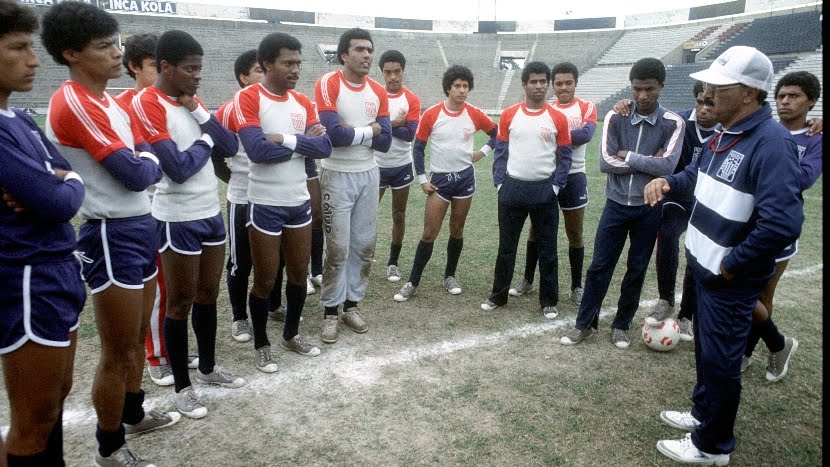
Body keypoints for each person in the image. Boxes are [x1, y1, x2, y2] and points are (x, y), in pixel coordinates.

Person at [647, 46, 804, 465]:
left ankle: (712, 446)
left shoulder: (771, 144)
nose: (708, 93)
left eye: (719, 87)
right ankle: (703, 415)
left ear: (749, 93)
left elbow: (782, 224)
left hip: (727, 278)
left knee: (721, 362)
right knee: (707, 354)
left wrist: (732, 265)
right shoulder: (723, 133)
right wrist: (669, 183)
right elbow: (695, 175)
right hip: (703, 268)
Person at [41, 3, 181, 465]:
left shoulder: (110, 102)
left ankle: (133, 414)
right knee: (117, 349)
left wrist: (146, 160)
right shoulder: (73, 101)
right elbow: (136, 172)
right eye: (104, 46)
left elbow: (145, 154)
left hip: (139, 225)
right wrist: (148, 161)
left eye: (116, 43)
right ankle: (109, 446)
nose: (117, 53)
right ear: (72, 54)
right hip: (110, 232)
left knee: (138, 334)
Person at [132, 29, 244, 419]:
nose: (197, 76)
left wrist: (199, 112)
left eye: (199, 68)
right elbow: (176, 170)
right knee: (179, 303)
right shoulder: (147, 103)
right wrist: (205, 142)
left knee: (208, 295)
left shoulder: (190, 103)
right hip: (176, 218)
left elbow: (231, 145)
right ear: (166, 67)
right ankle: (183, 387)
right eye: (190, 69)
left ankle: (208, 368)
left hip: (209, 212)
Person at [0, 1, 85, 464]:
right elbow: (56, 203)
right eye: (18, 48)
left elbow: (65, 178)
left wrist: (63, 180)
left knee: (52, 406)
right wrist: (59, 185)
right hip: (28, 278)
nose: (34, 60)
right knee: (33, 423)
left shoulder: (20, 119)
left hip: (56, 272)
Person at [560, 57, 684, 349]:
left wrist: (627, 155)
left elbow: (667, 166)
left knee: (637, 267)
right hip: (615, 205)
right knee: (599, 266)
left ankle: (621, 325)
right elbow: (605, 162)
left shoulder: (672, 123)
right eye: (637, 89)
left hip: (649, 207)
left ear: (661, 86)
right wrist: (648, 162)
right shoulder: (616, 117)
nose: (642, 95)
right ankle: (584, 324)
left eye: (649, 89)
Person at [234, 32, 332, 371]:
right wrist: (303, 142)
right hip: (264, 203)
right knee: (265, 278)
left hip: (298, 202)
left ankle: (291, 334)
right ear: (267, 64)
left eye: (298, 63)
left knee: (299, 273)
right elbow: (257, 151)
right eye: (288, 63)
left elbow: (325, 147)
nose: (295, 70)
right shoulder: (249, 97)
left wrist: (285, 139)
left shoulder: (303, 102)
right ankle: (262, 344)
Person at [614, 81, 718, 340]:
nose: (704, 109)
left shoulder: (726, 131)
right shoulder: (679, 122)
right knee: (668, 234)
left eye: (710, 103)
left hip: (708, 202)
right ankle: (666, 299)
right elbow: (651, 116)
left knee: (696, 253)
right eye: (700, 102)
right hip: (677, 197)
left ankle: (686, 315)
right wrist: (625, 105)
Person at [741, 70, 822, 382]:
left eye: (794, 96)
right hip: (745, 223)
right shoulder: (764, 130)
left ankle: (748, 351)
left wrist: (766, 166)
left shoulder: (814, 139)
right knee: (738, 289)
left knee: (762, 294)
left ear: (811, 102)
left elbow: (804, 178)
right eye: (781, 96)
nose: (785, 101)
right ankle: (777, 344)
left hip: (777, 228)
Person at [313, 28, 391, 344]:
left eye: (369, 49)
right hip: (337, 174)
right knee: (338, 248)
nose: (366, 55)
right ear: (344, 54)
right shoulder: (328, 83)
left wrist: (354, 132)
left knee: (364, 245)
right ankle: (330, 311)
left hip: (369, 174)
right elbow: (334, 135)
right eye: (359, 49)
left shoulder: (378, 91)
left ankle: (351, 305)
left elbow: (386, 142)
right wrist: (371, 130)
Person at [393, 64, 496, 302]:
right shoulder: (432, 114)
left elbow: (497, 134)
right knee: (429, 233)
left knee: (457, 229)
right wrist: (422, 180)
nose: (462, 90)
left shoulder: (474, 113)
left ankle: (450, 276)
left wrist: (482, 152)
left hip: (465, 179)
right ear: (448, 88)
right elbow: (418, 148)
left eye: (465, 86)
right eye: (457, 86)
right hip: (439, 182)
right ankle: (412, 282)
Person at [480, 61, 572, 317]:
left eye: (543, 81)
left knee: (548, 249)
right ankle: (498, 295)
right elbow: (500, 152)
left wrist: (556, 186)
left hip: (544, 191)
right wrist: (500, 183)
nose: (539, 86)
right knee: (506, 247)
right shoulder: (509, 114)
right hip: (512, 189)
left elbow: (565, 156)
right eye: (534, 81)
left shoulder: (558, 117)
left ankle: (549, 301)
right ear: (524, 84)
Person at [509, 62, 596, 307]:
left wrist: (556, 136)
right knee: (536, 230)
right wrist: (565, 137)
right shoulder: (547, 109)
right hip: (548, 176)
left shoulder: (587, 106)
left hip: (574, 177)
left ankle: (576, 286)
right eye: (558, 83)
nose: (563, 87)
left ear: (575, 83)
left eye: (568, 83)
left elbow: (586, 134)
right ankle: (528, 280)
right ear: (552, 86)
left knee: (574, 232)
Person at [214, 49, 263, 344]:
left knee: (274, 259)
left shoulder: (278, 105)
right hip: (242, 198)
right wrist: (233, 179)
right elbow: (214, 153)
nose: (265, 75)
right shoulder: (228, 110)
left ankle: (272, 306)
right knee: (240, 261)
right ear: (244, 78)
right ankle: (239, 316)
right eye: (259, 70)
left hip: (272, 198)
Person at [374, 49, 421, 282]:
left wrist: (383, 126)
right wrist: (395, 123)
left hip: (402, 165)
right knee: (367, 214)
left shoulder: (412, 99)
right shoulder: (374, 96)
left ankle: (393, 263)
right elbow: (369, 128)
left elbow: (410, 133)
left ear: (403, 71)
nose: (393, 76)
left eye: (397, 71)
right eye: (388, 72)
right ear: (382, 73)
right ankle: (363, 257)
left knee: (399, 215)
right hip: (376, 165)